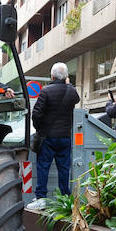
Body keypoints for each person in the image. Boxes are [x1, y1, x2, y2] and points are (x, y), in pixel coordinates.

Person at [31, 62, 79, 200]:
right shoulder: (71, 91)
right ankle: (64, 198)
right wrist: (68, 84)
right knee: (64, 168)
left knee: (43, 167)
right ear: (66, 77)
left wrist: (39, 129)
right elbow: (76, 98)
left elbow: (36, 114)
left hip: (48, 137)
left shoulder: (45, 91)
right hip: (64, 137)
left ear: (52, 77)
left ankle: (41, 197)